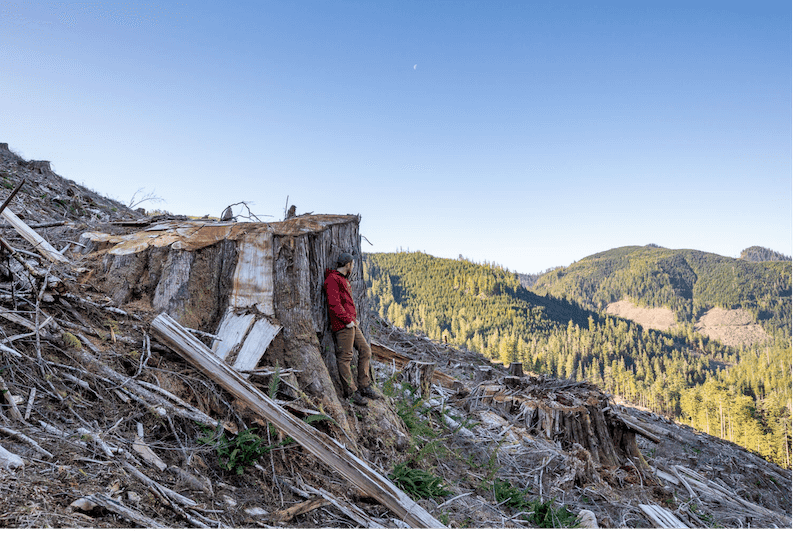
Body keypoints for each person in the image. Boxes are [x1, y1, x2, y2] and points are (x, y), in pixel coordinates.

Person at [324, 252, 379, 406]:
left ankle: (364, 385)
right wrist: (348, 320)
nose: (353, 267)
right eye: (352, 264)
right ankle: (351, 391)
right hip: (343, 325)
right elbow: (334, 304)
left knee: (366, 350)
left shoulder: (342, 279)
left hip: (351, 324)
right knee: (345, 358)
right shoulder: (332, 280)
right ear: (347, 265)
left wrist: (353, 320)